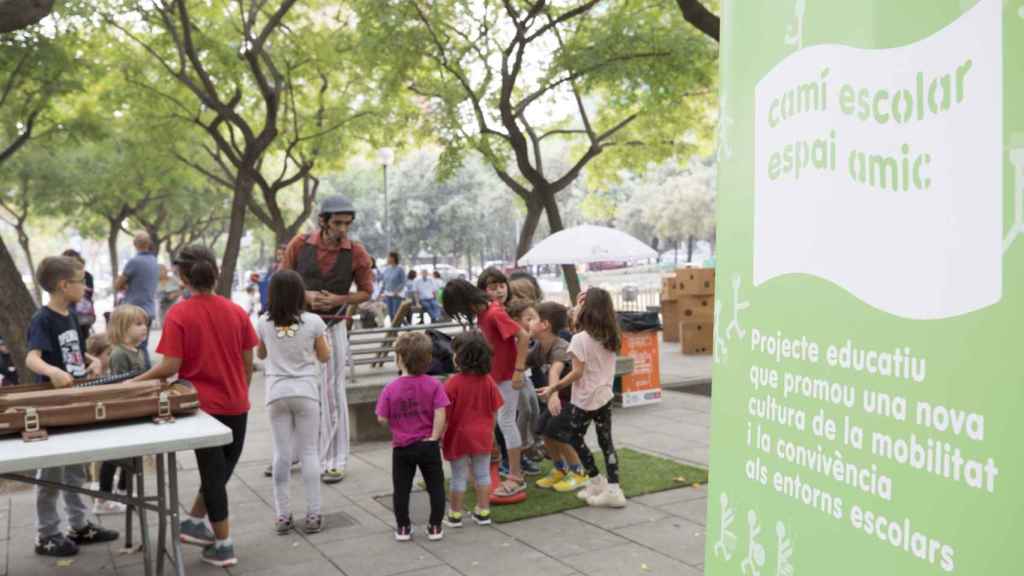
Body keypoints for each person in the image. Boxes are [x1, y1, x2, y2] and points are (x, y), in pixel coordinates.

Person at [134, 245, 258, 567]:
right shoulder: (237, 311)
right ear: (214, 271)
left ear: (182, 276)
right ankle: (196, 525)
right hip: (237, 405)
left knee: (214, 476)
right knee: (218, 474)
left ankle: (223, 545)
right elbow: (249, 366)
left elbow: (169, 366)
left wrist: (133, 382)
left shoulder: (179, 313)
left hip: (202, 409)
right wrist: (238, 390)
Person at [25, 256, 117, 557]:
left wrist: (91, 362)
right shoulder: (43, 319)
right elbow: (32, 358)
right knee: (51, 473)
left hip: (76, 402)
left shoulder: (71, 316)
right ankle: (46, 534)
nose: (86, 289)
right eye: (82, 283)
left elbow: (75, 352)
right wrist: (52, 372)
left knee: (76, 470)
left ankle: (78, 525)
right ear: (65, 285)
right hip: (53, 408)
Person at [281, 195, 373, 485]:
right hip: (300, 327)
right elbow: (283, 279)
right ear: (323, 221)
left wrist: (340, 298)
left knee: (332, 392)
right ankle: (294, 454)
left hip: (334, 326)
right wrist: (304, 295)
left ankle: (336, 459)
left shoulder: (356, 252)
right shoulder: (299, 245)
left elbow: (366, 291)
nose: (343, 228)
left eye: (347, 223)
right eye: (337, 223)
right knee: (297, 390)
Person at [256, 270, 330, 535]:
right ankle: (313, 514)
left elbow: (261, 353)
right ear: (301, 293)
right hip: (306, 391)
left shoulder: (264, 322)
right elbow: (324, 357)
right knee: (309, 452)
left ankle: (283, 515)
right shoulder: (313, 322)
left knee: (281, 454)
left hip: (276, 393)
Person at [442, 278, 530, 498]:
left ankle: (516, 477)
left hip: (508, 376)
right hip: (496, 375)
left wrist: (519, 371)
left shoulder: (493, 314)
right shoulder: (485, 313)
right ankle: (498, 465)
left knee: (506, 422)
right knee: (497, 421)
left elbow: (524, 335)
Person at [538, 287, 626, 508]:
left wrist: (553, 388)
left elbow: (577, 372)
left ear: (588, 308)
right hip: (604, 396)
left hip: (585, 399)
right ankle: (612, 489)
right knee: (606, 443)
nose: (576, 307)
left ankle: (596, 480)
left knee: (574, 436)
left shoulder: (580, 339)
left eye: (580, 303)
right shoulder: (612, 335)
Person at [375, 332, 449, 542]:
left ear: (399, 358)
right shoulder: (434, 385)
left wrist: (396, 425)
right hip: (428, 444)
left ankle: (403, 527)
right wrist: (434, 436)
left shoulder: (390, 388)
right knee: (435, 486)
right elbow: (440, 411)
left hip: (402, 446)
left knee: (401, 489)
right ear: (427, 359)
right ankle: (435, 526)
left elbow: (381, 418)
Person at [442, 331, 503, 528]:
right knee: (483, 474)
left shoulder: (452, 384)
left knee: (458, 476)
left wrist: (440, 436)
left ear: (460, 356)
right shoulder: (489, 382)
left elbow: (444, 414)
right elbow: (494, 411)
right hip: (483, 435)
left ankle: (455, 514)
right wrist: (491, 433)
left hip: (458, 436)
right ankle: (483, 511)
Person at [527, 302, 587, 491]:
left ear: (544, 325)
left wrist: (552, 394)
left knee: (560, 435)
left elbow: (555, 369)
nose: (527, 323)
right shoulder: (539, 346)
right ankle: (560, 469)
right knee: (545, 431)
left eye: (531, 319)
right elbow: (521, 361)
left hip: (573, 400)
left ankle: (578, 473)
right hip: (558, 398)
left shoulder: (561, 346)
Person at [505, 300, 542, 476]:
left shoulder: (529, 336)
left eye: (535, 317)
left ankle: (535, 443)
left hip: (525, 377)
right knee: (525, 410)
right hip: (514, 378)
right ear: (514, 320)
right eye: (529, 318)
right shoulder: (514, 337)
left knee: (534, 408)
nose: (534, 321)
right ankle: (524, 447)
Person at [116, 232, 160, 367]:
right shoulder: (154, 261)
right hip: (149, 309)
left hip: (133, 310)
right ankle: (146, 378)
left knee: (133, 346)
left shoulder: (134, 262)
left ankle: (141, 377)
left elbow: (118, 285)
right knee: (142, 345)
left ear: (135, 245)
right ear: (148, 244)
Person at [62, 250, 95, 346]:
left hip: (83, 314)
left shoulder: (87, 275)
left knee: (84, 340)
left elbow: (89, 293)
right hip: (68, 313)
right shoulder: (62, 277)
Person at [380, 252, 406, 322]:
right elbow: (384, 282)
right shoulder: (387, 269)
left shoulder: (400, 269)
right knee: (391, 314)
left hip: (397, 295)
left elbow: (403, 282)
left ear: (393, 258)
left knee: (396, 313)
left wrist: (397, 291)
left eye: (388, 257)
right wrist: (381, 293)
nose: (387, 259)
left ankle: (407, 327)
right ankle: (394, 332)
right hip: (388, 295)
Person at [157, 264, 182, 328]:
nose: (161, 272)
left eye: (162, 270)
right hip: (162, 305)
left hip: (174, 303)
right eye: (159, 271)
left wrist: (175, 293)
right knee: (163, 323)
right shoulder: (155, 282)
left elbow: (182, 287)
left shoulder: (173, 279)